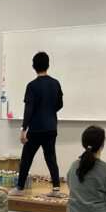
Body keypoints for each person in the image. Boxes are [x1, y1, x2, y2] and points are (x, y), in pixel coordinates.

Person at [12, 51, 63, 198]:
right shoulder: (55, 83)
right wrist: (49, 111)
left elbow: (28, 109)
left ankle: (20, 188)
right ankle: (56, 189)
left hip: (36, 129)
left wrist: (24, 129)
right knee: (51, 158)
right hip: (51, 127)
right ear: (48, 65)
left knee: (26, 159)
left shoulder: (32, 86)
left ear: (33, 66)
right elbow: (60, 104)